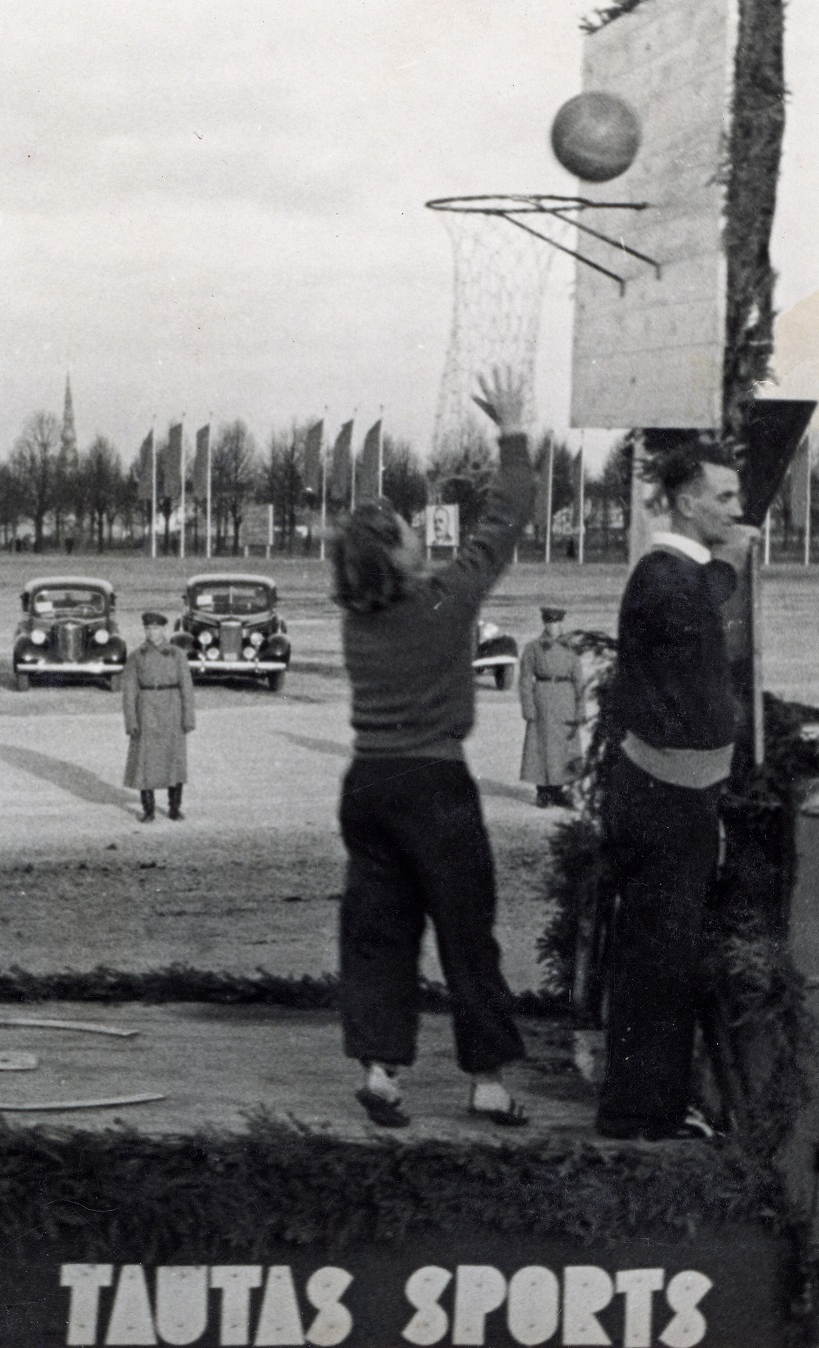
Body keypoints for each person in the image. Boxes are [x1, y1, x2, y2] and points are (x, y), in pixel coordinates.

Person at [330, 367, 534, 1130]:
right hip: (436, 788)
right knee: (464, 933)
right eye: (410, 532)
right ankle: (485, 1080)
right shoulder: (446, 603)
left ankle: (380, 1074)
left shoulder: (356, 620)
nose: (421, 532)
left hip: (367, 786)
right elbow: (507, 516)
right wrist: (510, 429)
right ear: (401, 556)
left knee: (378, 931)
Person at [595, 433, 759, 1142]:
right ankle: (639, 1116)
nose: (736, 508)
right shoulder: (667, 580)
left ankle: (651, 1104)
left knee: (660, 952)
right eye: (723, 497)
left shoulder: (677, 573)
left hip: (671, 793)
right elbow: (697, 617)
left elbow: (705, 598)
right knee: (658, 960)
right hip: (667, 798)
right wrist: (730, 572)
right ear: (688, 502)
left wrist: (726, 567)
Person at [121, 612, 194, 821]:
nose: (152, 632)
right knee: (144, 762)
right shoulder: (137, 656)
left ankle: (174, 808)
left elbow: (187, 688)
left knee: (174, 760)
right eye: (148, 628)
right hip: (146, 710)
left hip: (172, 708)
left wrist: (188, 718)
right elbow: (129, 692)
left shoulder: (177, 654)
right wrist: (131, 721)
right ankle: (149, 810)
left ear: (164, 630)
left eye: (156, 628)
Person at [518, 605, 588, 809]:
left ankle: (560, 791)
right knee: (540, 745)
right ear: (544, 624)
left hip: (565, 698)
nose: (554, 627)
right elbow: (524, 680)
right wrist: (528, 707)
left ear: (562, 623)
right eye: (550, 623)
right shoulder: (533, 647)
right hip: (543, 698)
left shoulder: (572, 647)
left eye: (557, 623)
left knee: (566, 745)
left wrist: (581, 708)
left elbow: (579, 681)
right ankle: (543, 792)